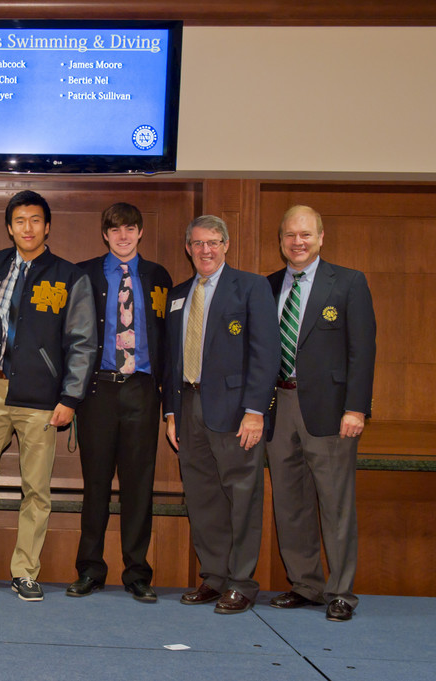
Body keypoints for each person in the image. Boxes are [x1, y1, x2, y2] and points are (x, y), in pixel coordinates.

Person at [0, 190, 96, 602]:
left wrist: (70, 397)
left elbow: (82, 342)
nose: (27, 228)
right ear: (9, 228)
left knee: (36, 489)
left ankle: (26, 572)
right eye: (19, 221)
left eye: (35, 220)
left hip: (42, 397)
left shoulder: (69, 276)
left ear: (47, 227)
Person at [265, 205, 376, 622]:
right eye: (290, 235)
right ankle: (306, 585)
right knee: (290, 503)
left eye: (306, 234)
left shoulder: (348, 282)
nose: (298, 242)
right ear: (281, 241)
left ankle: (341, 591)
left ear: (321, 237)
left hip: (331, 412)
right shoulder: (267, 285)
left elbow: (362, 351)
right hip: (279, 407)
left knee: (335, 504)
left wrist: (356, 408)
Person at [163, 215, 280, 614]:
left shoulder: (251, 287)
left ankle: (242, 582)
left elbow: (266, 354)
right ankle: (214, 577)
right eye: (198, 243)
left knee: (242, 496)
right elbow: (170, 359)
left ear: (226, 245)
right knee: (202, 497)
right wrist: (171, 413)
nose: (205, 250)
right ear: (188, 248)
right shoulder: (178, 295)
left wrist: (255, 411)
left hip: (236, 412)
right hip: (189, 407)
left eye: (213, 242)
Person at [70, 203, 172, 602]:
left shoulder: (158, 276)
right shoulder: (85, 273)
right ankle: (90, 570)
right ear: (105, 234)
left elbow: (168, 337)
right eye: (115, 229)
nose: (123, 236)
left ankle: (137, 573)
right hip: (98, 390)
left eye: (130, 228)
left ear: (141, 232)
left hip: (142, 390)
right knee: (95, 483)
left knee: (138, 485)